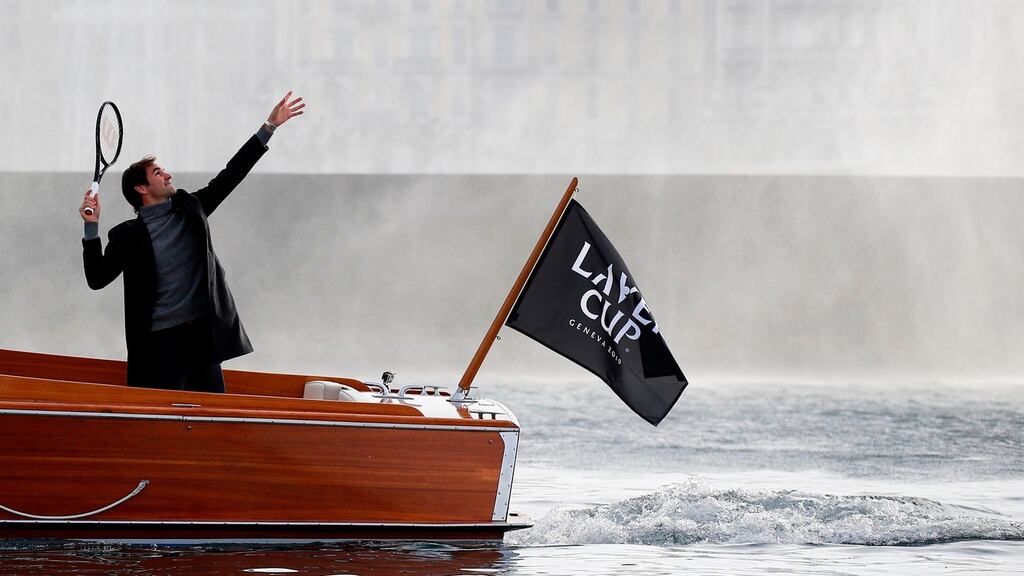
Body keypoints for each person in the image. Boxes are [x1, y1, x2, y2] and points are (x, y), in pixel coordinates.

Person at [79, 92, 305, 393]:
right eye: (158, 173)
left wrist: (269, 127)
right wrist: (90, 227)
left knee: (214, 421)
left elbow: (231, 175)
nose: (168, 174)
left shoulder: (191, 208)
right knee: (160, 429)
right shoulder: (126, 236)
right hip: (156, 347)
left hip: (201, 339)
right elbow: (96, 278)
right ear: (142, 187)